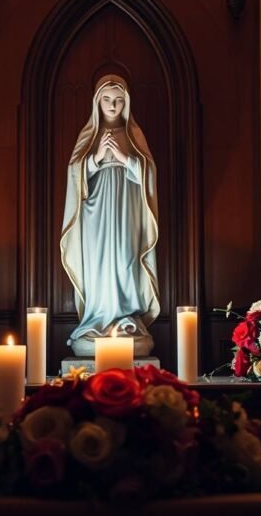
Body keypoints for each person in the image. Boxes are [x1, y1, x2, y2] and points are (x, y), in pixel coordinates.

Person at [60, 75, 160, 357]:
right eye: (107, 100)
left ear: (126, 103)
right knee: (99, 265)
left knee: (126, 261)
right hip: (95, 213)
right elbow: (74, 174)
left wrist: (126, 159)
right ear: (97, 102)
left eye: (118, 100)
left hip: (127, 211)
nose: (113, 105)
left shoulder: (133, 134)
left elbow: (150, 173)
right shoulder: (90, 135)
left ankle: (125, 317)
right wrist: (97, 158)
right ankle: (97, 318)